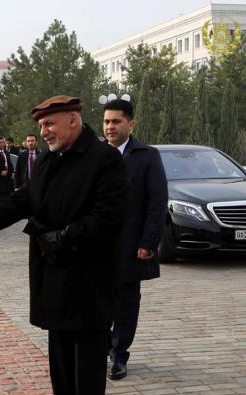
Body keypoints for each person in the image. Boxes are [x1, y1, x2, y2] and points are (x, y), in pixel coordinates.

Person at [0, 95, 129, 395]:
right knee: (60, 357)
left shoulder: (104, 159)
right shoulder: (51, 159)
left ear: (73, 120)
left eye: (50, 124)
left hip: (89, 279)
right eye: (41, 126)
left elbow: (109, 216)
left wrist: (62, 238)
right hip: (53, 275)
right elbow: (25, 198)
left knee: (88, 364)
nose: (44, 131)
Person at [103, 98, 168, 380]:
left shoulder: (147, 156)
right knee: (97, 300)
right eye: (106, 121)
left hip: (130, 245)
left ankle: (119, 355)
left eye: (116, 121)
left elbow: (157, 202)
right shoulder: (94, 155)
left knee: (126, 303)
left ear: (131, 124)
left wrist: (148, 242)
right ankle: (103, 346)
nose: (110, 126)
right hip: (96, 244)